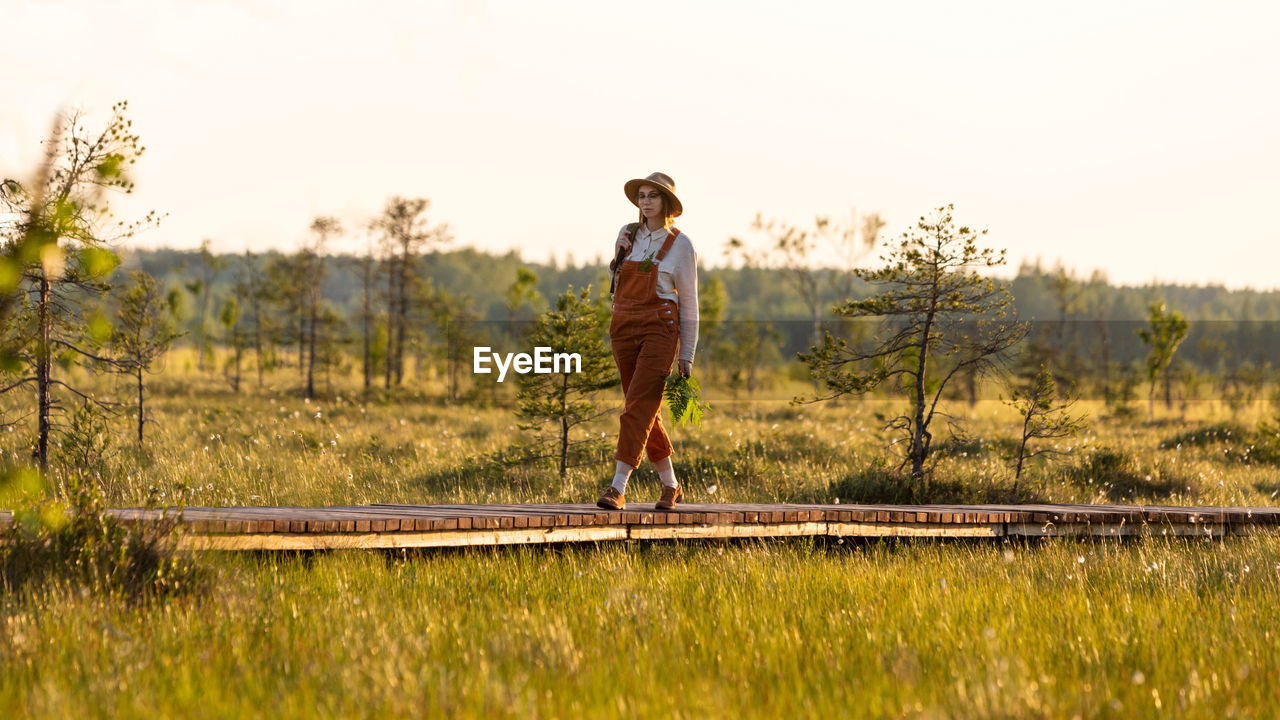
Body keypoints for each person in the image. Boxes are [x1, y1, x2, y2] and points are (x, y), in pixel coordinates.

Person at [597, 172, 698, 511]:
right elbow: (614, 282)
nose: (646, 201)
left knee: (635, 408)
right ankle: (671, 485)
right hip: (623, 326)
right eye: (642, 195)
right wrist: (617, 256)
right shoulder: (626, 234)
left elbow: (689, 301)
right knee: (643, 410)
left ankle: (617, 486)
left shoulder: (681, 244)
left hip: (660, 329)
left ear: (666, 202)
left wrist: (688, 354)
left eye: (653, 195)